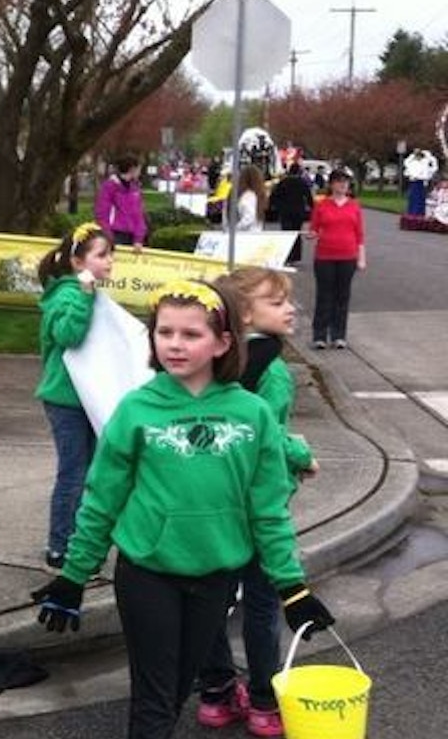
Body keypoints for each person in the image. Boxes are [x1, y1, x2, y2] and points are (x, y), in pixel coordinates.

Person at [32, 279, 336, 739]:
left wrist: (291, 587)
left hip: (217, 576)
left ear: (223, 342)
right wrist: (74, 575)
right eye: (164, 332)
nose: (174, 344)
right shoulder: (136, 410)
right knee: (154, 701)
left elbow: (268, 511)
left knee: (175, 691)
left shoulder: (251, 414)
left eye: (190, 334)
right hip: (147, 572)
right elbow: (101, 500)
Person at [193, 268, 319, 738]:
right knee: (263, 607)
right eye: (277, 301)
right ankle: (265, 704)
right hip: (260, 508)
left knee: (213, 603)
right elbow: (268, 434)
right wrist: (302, 454)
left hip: (216, 502)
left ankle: (216, 694)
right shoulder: (275, 371)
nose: (290, 309)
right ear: (244, 312)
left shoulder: (212, 361)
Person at [34, 222, 114, 570]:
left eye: (112, 254)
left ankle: (82, 545)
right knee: (74, 473)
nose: (110, 261)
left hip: (88, 396)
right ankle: (60, 546)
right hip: (66, 400)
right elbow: (68, 335)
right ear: (78, 263)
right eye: (102, 255)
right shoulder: (67, 295)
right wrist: (83, 295)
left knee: (93, 474)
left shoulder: (91, 293)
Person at [305, 169, 366, 350]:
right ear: (331, 184)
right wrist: (312, 235)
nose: (342, 185)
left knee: (342, 296)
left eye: (345, 182)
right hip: (325, 256)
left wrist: (362, 258)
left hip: (348, 256)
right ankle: (320, 335)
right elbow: (313, 228)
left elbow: (360, 235)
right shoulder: (322, 205)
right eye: (339, 182)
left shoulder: (354, 206)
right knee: (324, 296)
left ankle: (339, 334)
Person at [95, 155, 147, 251]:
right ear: (132, 169)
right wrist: (108, 237)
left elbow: (139, 214)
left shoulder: (135, 188)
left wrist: (139, 239)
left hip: (132, 237)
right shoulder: (109, 187)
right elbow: (102, 213)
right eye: (139, 169)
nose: (140, 172)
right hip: (115, 234)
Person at [268, 163, 316, 265]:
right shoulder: (302, 183)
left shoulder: (283, 182)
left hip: (285, 211)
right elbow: (308, 197)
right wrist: (312, 208)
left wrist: (276, 206)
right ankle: (295, 256)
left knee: (286, 233)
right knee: (296, 233)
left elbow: (274, 196)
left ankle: (286, 255)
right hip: (298, 211)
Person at [230, 165, 268, 233]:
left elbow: (249, 217)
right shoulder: (258, 196)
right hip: (256, 232)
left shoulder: (248, 196)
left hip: (245, 234)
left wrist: (235, 228)